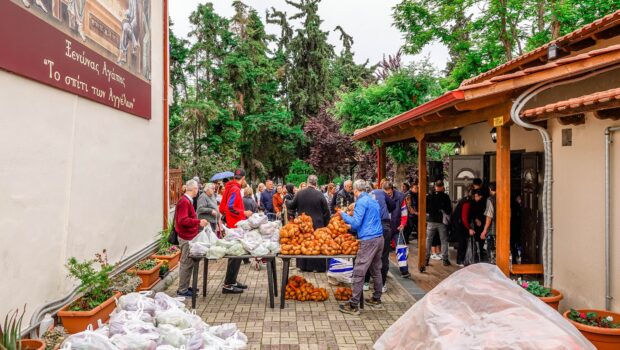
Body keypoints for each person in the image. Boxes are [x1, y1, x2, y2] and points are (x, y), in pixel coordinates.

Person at [338, 179, 385, 315]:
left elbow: (357, 223)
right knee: (376, 269)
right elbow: (368, 220)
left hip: (369, 240)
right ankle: (377, 298)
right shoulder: (372, 200)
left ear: (355, 190)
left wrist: (343, 215)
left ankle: (353, 305)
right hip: (379, 237)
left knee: (359, 270)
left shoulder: (361, 202)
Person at [218, 169, 253, 294]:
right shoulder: (235, 189)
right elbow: (230, 207)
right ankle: (228, 285)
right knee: (235, 255)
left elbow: (222, 208)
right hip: (235, 227)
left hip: (233, 225)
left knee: (237, 255)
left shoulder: (229, 187)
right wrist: (243, 213)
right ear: (243, 178)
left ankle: (232, 281)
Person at [287, 175, 331, 272]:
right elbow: (326, 211)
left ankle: (303, 266)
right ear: (316, 183)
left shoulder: (300, 193)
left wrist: (287, 202)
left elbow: (292, 205)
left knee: (304, 243)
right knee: (316, 244)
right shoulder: (320, 194)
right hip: (317, 224)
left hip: (303, 224)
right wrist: (326, 224)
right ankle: (317, 267)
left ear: (307, 182)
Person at [175, 180, 208, 297]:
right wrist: (198, 222)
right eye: (197, 189)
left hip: (188, 236)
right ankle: (182, 290)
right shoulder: (184, 202)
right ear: (194, 189)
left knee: (188, 263)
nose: (198, 191)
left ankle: (185, 287)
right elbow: (182, 220)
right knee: (186, 263)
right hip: (186, 237)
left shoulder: (186, 201)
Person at [364, 180, 396, 293]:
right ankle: (381, 285)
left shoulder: (366, 197)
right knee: (383, 255)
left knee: (368, 254)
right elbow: (393, 205)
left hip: (371, 227)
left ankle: (366, 283)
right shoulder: (382, 193)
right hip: (383, 226)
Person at [425, 180, 452, 267]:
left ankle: (426, 259)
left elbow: (426, 209)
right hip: (441, 222)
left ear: (435, 186)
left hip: (431, 220)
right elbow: (449, 210)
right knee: (444, 240)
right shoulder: (445, 197)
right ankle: (445, 259)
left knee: (429, 240)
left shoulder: (430, 196)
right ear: (442, 186)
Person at [388, 184, 410, 278]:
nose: (387, 195)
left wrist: (403, 224)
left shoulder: (400, 197)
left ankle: (404, 270)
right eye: (386, 193)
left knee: (401, 248)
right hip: (385, 227)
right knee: (383, 250)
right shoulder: (381, 196)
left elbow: (404, 212)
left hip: (397, 227)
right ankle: (382, 270)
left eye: (389, 193)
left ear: (392, 190)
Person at [481, 182, 497, 264]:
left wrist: (484, 230)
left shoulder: (490, 199)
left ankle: (493, 270)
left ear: (490, 189)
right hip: (504, 229)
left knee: (491, 252)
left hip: (493, 230)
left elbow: (489, 216)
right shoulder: (505, 197)